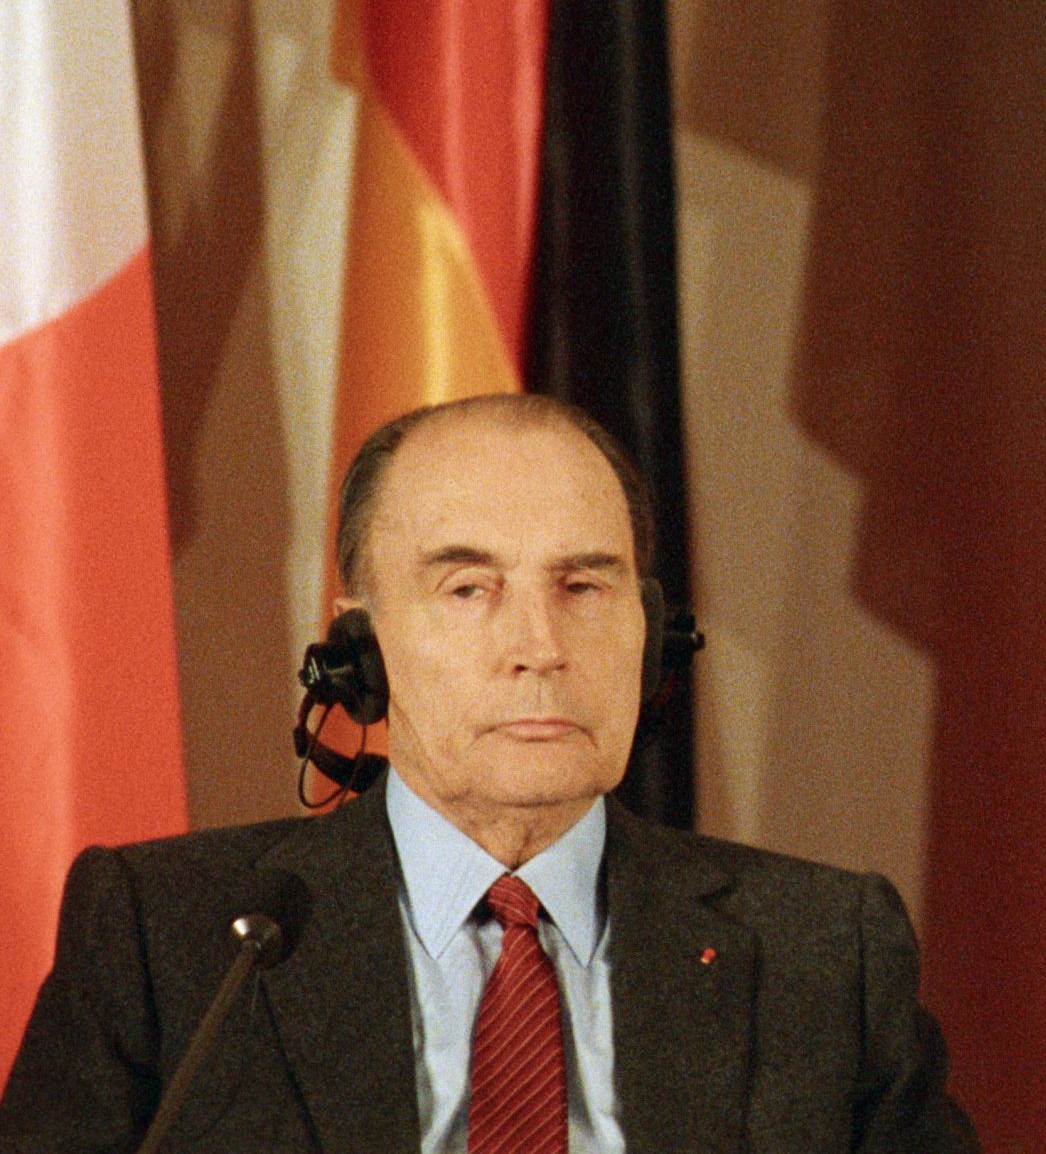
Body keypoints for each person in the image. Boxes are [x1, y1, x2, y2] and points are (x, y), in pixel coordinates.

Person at [0, 392, 981, 1153]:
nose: (540, 643)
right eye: (469, 587)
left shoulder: (825, 950)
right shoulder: (174, 939)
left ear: (654, 643)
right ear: (362, 648)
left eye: (584, 584)